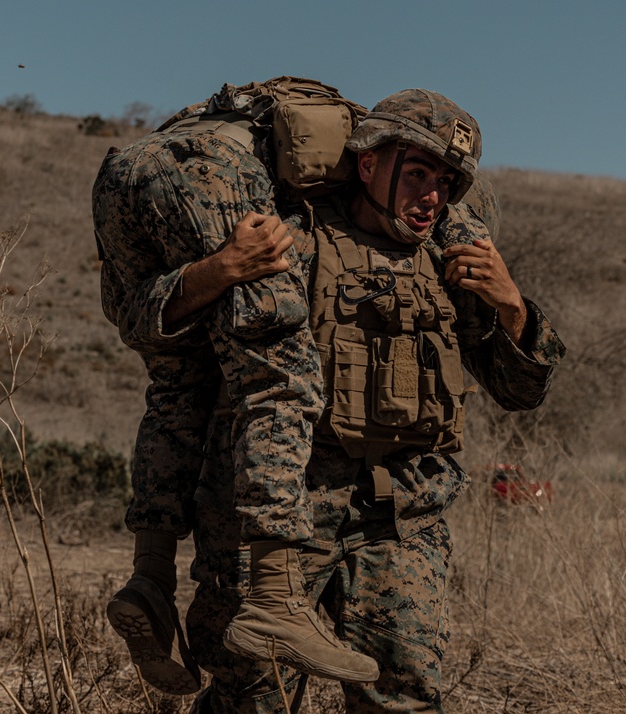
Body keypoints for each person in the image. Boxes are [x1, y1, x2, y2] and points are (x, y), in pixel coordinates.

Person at [171, 88, 566, 712]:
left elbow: (523, 393)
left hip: (403, 517)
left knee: (403, 697)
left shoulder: (454, 263)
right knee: (254, 696)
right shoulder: (289, 241)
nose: (431, 196)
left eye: (444, 182)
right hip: (285, 515)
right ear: (366, 165)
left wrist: (511, 304)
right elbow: (183, 360)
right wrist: (220, 269)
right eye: (415, 174)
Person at [92, 77, 379, 694]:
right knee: (279, 377)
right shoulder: (350, 138)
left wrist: (210, 275)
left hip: (120, 172)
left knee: (177, 385)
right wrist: (230, 263)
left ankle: (151, 579)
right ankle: (276, 599)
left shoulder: (228, 108)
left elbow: (138, 319)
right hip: (207, 176)